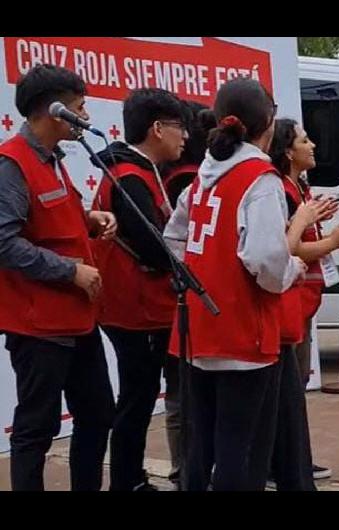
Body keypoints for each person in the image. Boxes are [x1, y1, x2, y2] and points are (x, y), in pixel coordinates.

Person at [163, 78, 311, 490]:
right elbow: (265, 260)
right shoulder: (258, 178)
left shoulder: (205, 174)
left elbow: (174, 239)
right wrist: (292, 269)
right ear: (267, 122)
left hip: (201, 329)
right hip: (244, 333)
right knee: (242, 453)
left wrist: (204, 274)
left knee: (201, 448)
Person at [0, 64, 116, 490]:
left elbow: (48, 220)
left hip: (76, 318)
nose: (85, 118)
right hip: (39, 325)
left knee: (99, 412)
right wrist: (70, 271)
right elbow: (4, 243)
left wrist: (89, 220)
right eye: (79, 109)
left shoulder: (53, 161)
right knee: (37, 427)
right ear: (54, 112)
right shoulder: (12, 164)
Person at [90, 88, 188, 491]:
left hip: (139, 304)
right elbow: (152, 243)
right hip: (136, 307)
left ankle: (131, 476)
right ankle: (128, 480)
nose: (185, 136)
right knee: (137, 398)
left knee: (141, 395)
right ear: (157, 128)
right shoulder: (130, 177)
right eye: (179, 127)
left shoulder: (140, 171)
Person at [268, 118, 339, 483]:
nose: (312, 145)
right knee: (287, 391)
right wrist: (336, 241)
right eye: (304, 140)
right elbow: (289, 248)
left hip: (303, 301)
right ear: (287, 150)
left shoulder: (298, 186)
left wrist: (329, 231)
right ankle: (284, 465)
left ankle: (293, 458)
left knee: (294, 389)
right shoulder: (280, 189)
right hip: (289, 303)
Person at [157, 99, 217, 489]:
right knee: (184, 394)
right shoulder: (189, 180)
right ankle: (186, 468)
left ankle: (188, 467)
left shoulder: (174, 174)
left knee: (184, 393)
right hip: (180, 301)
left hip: (176, 298)